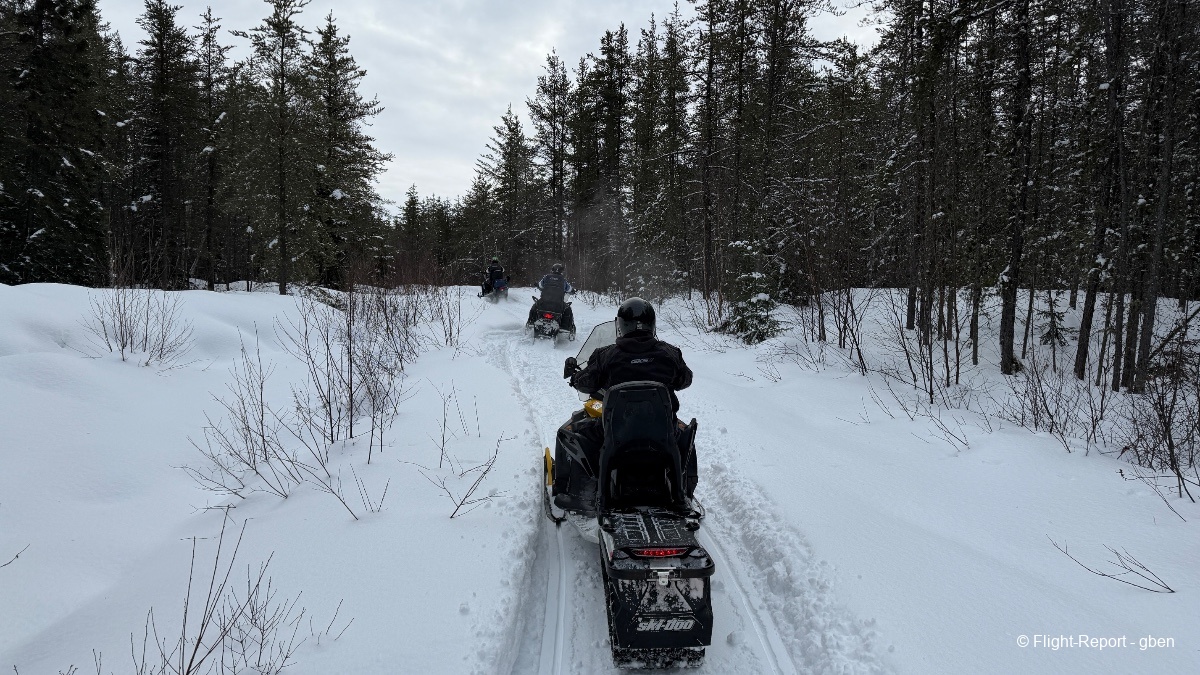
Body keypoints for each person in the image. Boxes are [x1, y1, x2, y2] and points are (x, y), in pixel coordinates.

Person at [552, 297, 697, 510]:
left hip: (614, 434)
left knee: (567, 432)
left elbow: (586, 383)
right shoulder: (669, 353)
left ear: (621, 325)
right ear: (652, 324)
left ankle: (570, 492)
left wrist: (575, 378)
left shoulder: (606, 355)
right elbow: (685, 380)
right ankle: (684, 490)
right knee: (685, 431)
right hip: (663, 432)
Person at [527, 262, 577, 332]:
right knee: (568, 310)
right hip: (558, 305)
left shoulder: (546, 277)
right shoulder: (563, 280)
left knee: (535, 306)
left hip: (544, 303)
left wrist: (538, 285)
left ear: (552, 270)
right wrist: (573, 291)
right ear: (561, 271)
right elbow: (569, 289)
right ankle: (565, 327)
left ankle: (531, 322)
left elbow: (540, 285)